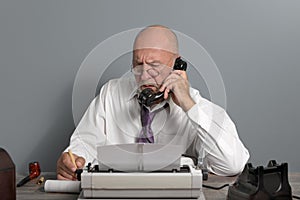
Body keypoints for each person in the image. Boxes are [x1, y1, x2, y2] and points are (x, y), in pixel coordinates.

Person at [57, 25, 249, 180]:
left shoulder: (195, 105)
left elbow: (231, 164)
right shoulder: (112, 92)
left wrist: (189, 105)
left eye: (154, 65)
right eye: (138, 64)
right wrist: (74, 159)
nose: (145, 73)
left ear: (177, 65)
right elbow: (85, 142)